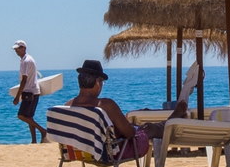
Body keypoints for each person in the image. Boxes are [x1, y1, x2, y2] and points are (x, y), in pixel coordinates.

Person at [66, 59, 195, 161]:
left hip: (84, 151)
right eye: (102, 82)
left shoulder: (68, 106)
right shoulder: (105, 105)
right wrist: (132, 127)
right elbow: (129, 134)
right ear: (98, 82)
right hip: (109, 153)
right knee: (148, 128)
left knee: (136, 125)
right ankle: (172, 120)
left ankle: (168, 121)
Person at [11, 40, 47, 143]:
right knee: (29, 117)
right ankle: (34, 140)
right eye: (15, 49)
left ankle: (43, 131)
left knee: (21, 115)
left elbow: (24, 79)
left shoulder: (26, 61)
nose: (16, 51)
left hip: (30, 91)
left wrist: (18, 96)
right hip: (32, 91)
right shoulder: (25, 60)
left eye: (18, 48)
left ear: (24, 48)